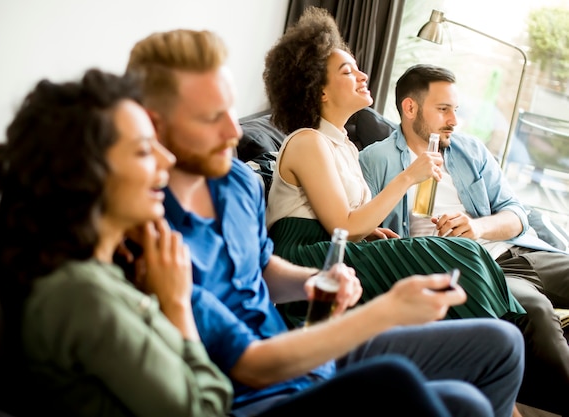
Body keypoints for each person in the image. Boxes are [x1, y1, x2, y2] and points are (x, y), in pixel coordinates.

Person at [126, 22, 525, 417]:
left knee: (480, 381)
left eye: (229, 110)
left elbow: (262, 265)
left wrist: (309, 280)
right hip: (262, 378)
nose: (234, 131)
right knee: (402, 369)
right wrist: (385, 310)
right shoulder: (153, 227)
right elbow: (241, 359)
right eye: (211, 116)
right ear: (156, 124)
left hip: (293, 343)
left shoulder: (238, 185)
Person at [0, 69, 234, 417]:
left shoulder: (101, 274)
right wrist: (176, 304)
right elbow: (205, 411)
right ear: (87, 173)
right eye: (144, 151)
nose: (168, 159)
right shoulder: (81, 294)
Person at [262, 6, 525, 332]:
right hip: (306, 260)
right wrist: (408, 177)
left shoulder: (343, 145)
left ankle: (495, 333)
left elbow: (347, 218)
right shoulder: (307, 142)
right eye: (348, 72)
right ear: (320, 90)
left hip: (336, 248)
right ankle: (496, 334)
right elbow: (343, 225)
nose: (363, 76)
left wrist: (371, 230)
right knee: (460, 255)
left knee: (465, 253)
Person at [358, 63, 569, 416]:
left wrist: (478, 227)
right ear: (410, 108)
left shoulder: (470, 150)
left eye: (456, 109)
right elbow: (370, 234)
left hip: (517, 250)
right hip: (481, 273)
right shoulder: (375, 161)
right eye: (443, 109)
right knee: (536, 311)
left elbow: (516, 212)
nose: (454, 120)